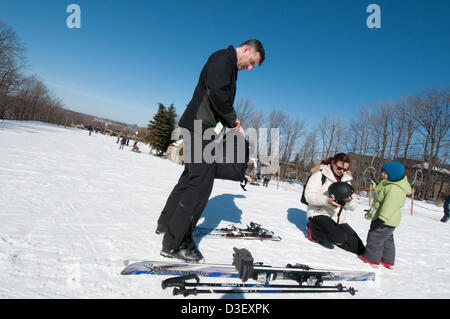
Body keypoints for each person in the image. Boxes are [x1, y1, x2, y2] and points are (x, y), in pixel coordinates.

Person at [155, 40, 265, 262]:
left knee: (190, 178)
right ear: (246, 50)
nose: (250, 68)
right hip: (199, 127)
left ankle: (166, 224)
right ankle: (175, 244)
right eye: (251, 62)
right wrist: (233, 118)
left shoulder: (228, 65)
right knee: (200, 185)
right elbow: (218, 93)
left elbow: (217, 97)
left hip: (201, 127)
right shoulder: (223, 59)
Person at [304, 153, 365, 255]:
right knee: (339, 238)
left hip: (338, 219)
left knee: (359, 248)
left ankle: (335, 234)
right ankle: (313, 231)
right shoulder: (319, 175)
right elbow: (309, 196)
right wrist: (327, 200)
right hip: (319, 213)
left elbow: (353, 206)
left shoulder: (346, 180)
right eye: (340, 168)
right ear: (333, 163)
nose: (342, 171)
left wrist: (348, 201)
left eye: (345, 169)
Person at [359, 161, 412, 269]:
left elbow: (390, 206)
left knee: (375, 237)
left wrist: (381, 218)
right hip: (390, 220)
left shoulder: (395, 188)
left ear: (394, 174)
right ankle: (387, 260)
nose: (383, 175)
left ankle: (371, 258)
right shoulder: (389, 184)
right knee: (387, 238)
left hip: (386, 219)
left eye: (385, 173)